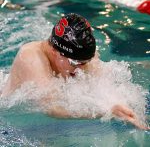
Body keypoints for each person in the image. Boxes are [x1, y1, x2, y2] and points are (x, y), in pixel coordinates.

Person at [1, 13, 149, 130]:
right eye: (75, 63)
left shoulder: (81, 57)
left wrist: (121, 106)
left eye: (85, 63)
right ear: (54, 51)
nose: (80, 70)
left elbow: (102, 85)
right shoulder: (31, 58)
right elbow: (52, 108)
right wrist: (105, 111)